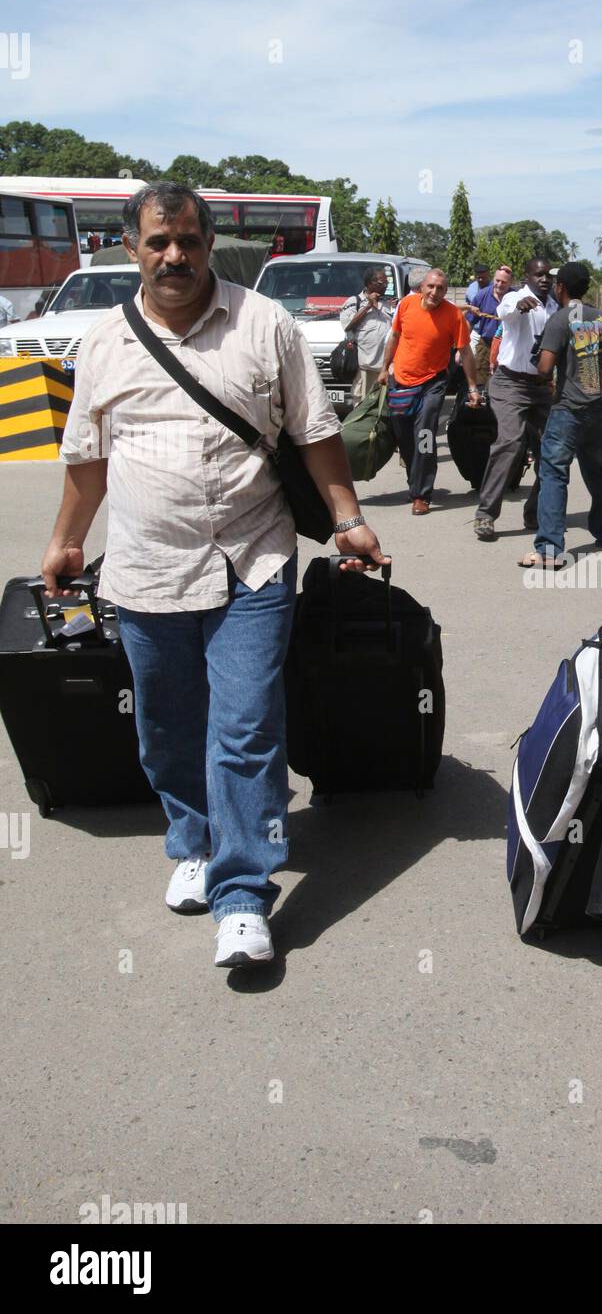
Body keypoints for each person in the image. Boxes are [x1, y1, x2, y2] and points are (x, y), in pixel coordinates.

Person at [42, 182, 388, 969]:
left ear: (209, 245)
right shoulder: (103, 343)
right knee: (165, 728)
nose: (175, 256)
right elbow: (86, 463)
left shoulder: (264, 323)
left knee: (244, 728)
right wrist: (66, 541)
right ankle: (193, 840)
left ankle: (241, 894)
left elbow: (316, 433)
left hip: (252, 559)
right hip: (144, 570)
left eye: (189, 241)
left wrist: (347, 519)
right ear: (130, 247)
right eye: (159, 242)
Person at [519, 262, 602, 568]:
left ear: (560, 288)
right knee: (597, 469)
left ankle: (550, 549)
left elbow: (544, 368)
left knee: (553, 472)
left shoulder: (559, 319)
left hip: (570, 408)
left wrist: (541, 365)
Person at [379, 268, 479, 515]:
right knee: (404, 436)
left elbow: (465, 352)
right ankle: (415, 479)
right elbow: (394, 337)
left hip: (432, 384)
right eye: (431, 287)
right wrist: (384, 368)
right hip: (401, 381)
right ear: (422, 287)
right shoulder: (406, 306)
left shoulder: (453, 315)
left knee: (424, 433)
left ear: (446, 292)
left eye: (441, 289)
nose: (435, 292)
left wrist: (474, 387)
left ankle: (421, 494)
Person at [472, 258, 557, 540]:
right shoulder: (515, 298)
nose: (544, 279)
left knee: (554, 450)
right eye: (539, 275)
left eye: (548, 275)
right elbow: (505, 311)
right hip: (510, 383)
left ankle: (534, 511)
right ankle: (486, 514)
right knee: (510, 442)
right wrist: (519, 307)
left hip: (541, 387)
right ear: (527, 276)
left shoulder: (555, 306)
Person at [339, 268, 395, 404]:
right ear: (370, 283)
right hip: (364, 366)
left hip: (386, 367)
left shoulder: (388, 303)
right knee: (362, 404)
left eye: (387, 283)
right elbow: (348, 325)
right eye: (382, 283)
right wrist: (368, 306)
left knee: (384, 405)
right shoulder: (354, 302)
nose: (386, 286)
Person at [466, 263, 511, 389]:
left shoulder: (514, 297)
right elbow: (469, 322)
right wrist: (461, 348)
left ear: (510, 283)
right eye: (497, 281)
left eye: (504, 282)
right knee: (481, 379)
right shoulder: (482, 295)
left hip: (507, 346)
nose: (500, 284)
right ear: (493, 279)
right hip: (485, 344)